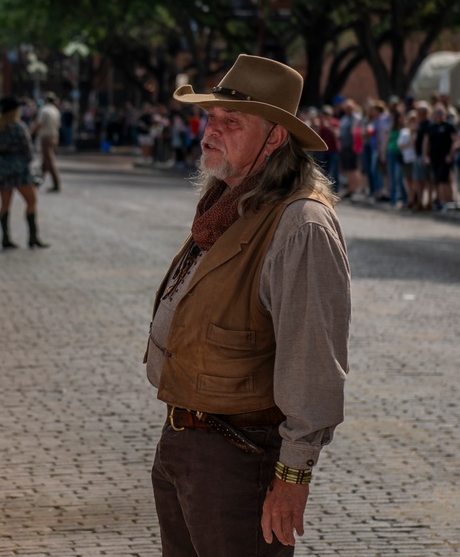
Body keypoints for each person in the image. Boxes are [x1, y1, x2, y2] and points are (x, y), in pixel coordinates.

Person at [143, 54, 350, 555]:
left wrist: (292, 476)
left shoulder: (300, 224)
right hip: (186, 441)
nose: (209, 132)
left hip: (239, 458)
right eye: (210, 119)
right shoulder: (226, 204)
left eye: (230, 122)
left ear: (275, 138)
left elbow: (313, 364)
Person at [0, 96, 48, 249]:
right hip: (19, 168)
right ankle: (33, 237)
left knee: (4, 205)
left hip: (2, 168)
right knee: (31, 201)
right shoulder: (18, 127)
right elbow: (28, 150)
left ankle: (5, 237)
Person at [32, 93, 62, 191]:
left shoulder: (44, 110)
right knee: (45, 161)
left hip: (46, 137)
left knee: (49, 160)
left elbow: (39, 124)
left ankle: (56, 184)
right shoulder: (56, 111)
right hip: (54, 136)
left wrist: (31, 133)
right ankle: (38, 182)